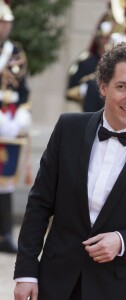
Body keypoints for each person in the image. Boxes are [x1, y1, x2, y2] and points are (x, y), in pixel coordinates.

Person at [13, 42, 126, 300]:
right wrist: (26, 273)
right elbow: (39, 203)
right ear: (103, 87)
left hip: (116, 286)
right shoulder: (68, 128)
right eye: (122, 86)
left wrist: (123, 241)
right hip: (55, 279)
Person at [0, 0, 31, 253]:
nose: (5, 27)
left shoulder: (15, 51)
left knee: (5, 181)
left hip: (7, 122)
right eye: (2, 22)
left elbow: (24, 91)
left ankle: (5, 233)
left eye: (7, 22)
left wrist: (20, 114)